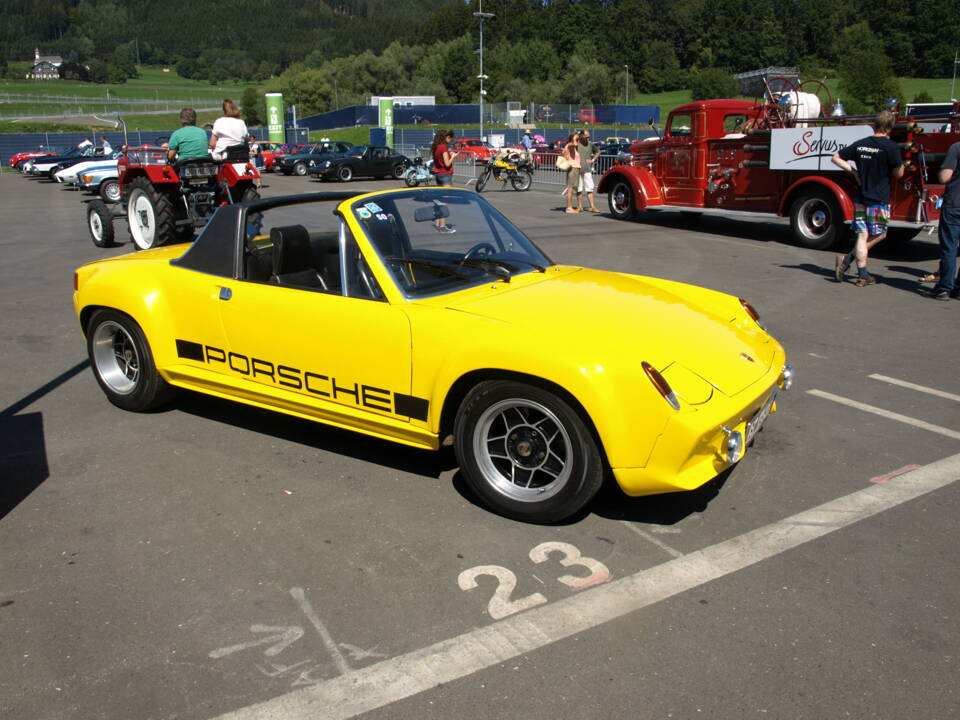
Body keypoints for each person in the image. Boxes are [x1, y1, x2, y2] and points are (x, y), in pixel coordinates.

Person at [831, 111, 903, 287]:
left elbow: (836, 157)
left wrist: (853, 171)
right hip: (878, 198)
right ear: (890, 127)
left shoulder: (862, 145)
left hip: (861, 196)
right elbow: (898, 173)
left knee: (862, 234)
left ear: (874, 125)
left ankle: (857, 269)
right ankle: (851, 263)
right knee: (880, 234)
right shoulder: (891, 147)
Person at [923, 139, 960, 300]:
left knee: (949, 247)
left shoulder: (956, 148)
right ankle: (958, 288)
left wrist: (939, 171)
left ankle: (944, 288)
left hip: (955, 204)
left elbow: (945, 177)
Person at [431, 129, 458, 233]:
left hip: (438, 175)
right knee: (444, 202)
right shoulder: (443, 147)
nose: (450, 140)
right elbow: (447, 164)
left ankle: (438, 224)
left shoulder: (436, 147)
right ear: (447, 137)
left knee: (439, 200)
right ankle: (442, 226)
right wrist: (453, 157)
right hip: (446, 175)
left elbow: (440, 161)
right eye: (450, 138)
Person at [576, 128, 600, 212]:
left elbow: (598, 152)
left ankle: (592, 207)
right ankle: (580, 206)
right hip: (577, 170)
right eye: (586, 137)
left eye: (588, 137)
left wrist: (593, 160)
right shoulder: (576, 144)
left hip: (587, 169)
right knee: (579, 189)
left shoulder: (590, 144)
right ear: (581, 136)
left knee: (590, 188)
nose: (588, 139)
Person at [562, 132, 580, 214]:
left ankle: (570, 207)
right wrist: (575, 139)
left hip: (574, 168)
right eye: (576, 138)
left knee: (571, 189)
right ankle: (569, 208)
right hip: (572, 168)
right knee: (570, 189)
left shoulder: (569, 146)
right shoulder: (570, 145)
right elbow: (575, 145)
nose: (578, 139)